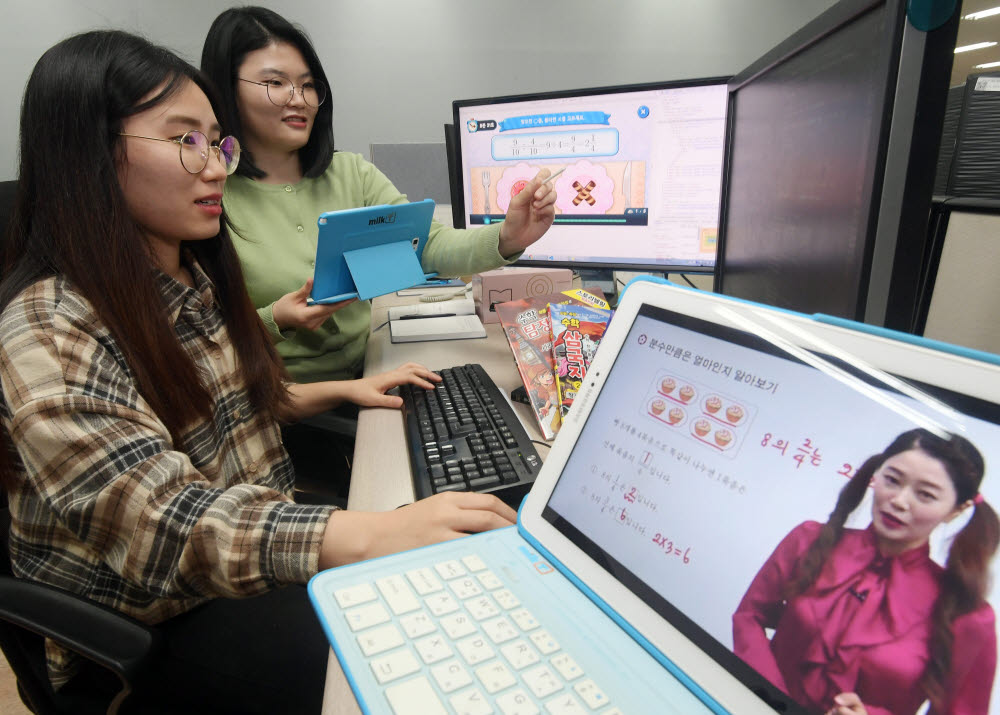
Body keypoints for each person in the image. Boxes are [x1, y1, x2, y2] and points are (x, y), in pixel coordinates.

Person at [0, 31, 516, 714]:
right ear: (88, 156)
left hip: (248, 559)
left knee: (442, 581)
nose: (215, 167)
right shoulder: (48, 330)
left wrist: (342, 390)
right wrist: (365, 532)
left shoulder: (187, 273)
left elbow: (230, 409)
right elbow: (165, 526)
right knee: (406, 661)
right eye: (185, 139)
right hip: (158, 617)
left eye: (218, 143)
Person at [200, 6, 558, 384]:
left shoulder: (350, 173)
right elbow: (202, 341)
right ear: (226, 88)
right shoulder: (209, 195)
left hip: (372, 369)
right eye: (275, 83)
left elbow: (426, 246)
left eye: (307, 85)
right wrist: (277, 320)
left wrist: (508, 237)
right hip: (282, 402)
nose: (299, 99)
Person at [732, 428, 999, 715]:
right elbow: (750, 617)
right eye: (892, 480)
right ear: (876, 474)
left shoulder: (967, 615)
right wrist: (771, 696)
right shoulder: (808, 540)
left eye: (925, 495)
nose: (898, 500)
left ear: (957, 509)